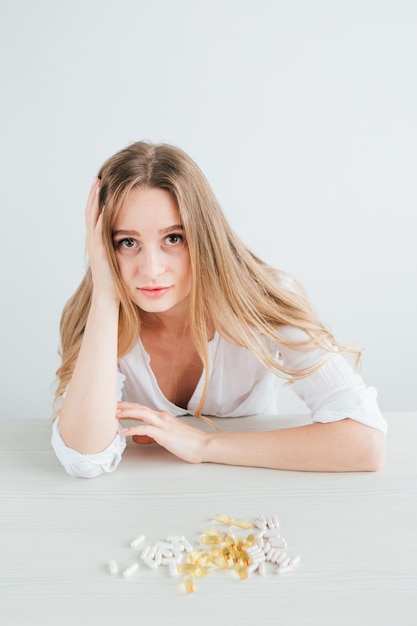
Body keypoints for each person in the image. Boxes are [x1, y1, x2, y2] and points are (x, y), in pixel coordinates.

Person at [52, 141, 387, 478]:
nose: (151, 269)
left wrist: (203, 446)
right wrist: (106, 297)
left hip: (253, 488)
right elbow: (85, 459)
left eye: (173, 239)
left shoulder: (262, 300)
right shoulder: (96, 316)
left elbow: (365, 443)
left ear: (204, 235)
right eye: (127, 242)